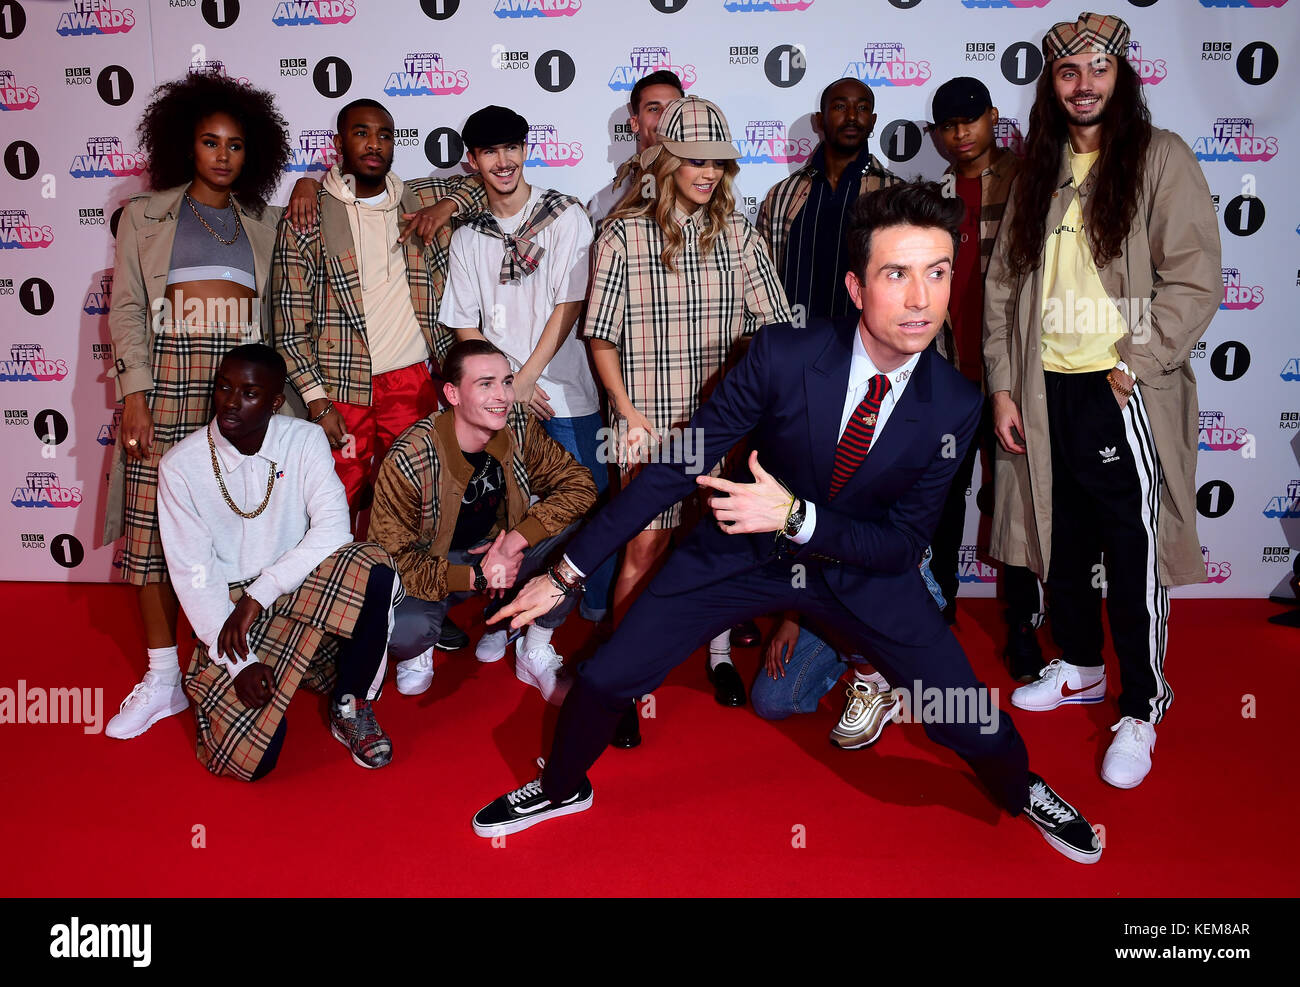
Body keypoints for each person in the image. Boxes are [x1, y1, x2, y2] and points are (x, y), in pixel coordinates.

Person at [474, 182, 1103, 866]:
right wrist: (566, 574)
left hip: (859, 572)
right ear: (857, 287)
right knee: (603, 678)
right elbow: (675, 466)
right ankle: (564, 785)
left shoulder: (954, 403)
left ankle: (1024, 786)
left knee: (968, 717)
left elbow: (900, 547)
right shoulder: (782, 354)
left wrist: (799, 518)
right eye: (897, 274)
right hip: (739, 553)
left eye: (938, 272)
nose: (922, 298)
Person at [984, 13, 1221, 789]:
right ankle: (1081, 666)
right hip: (1045, 388)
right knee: (1065, 537)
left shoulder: (1160, 158)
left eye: (1097, 69)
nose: (1083, 85)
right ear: (1051, 87)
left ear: (1122, 76)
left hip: (1124, 389)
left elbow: (1193, 278)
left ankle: (1143, 703)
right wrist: (1004, 382)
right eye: (1067, 73)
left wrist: (1139, 360)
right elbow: (1003, 287)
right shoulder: (1036, 169)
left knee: (1132, 550)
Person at [103, 71, 308, 740]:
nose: (222, 156)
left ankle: (226, 654)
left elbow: (335, 212)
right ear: (184, 145)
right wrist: (134, 396)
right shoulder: (146, 214)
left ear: (255, 154)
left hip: (240, 393)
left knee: (229, 530)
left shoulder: (265, 221)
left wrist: (307, 185)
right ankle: (163, 677)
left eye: (236, 145)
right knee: (151, 538)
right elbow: (130, 308)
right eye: (209, 142)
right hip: (167, 381)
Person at [585, 94, 792, 733]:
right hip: (648, 425)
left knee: (721, 550)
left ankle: (720, 654)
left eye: (719, 161)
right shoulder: (623, 233)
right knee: (643, 551)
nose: (707, 171)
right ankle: (619, 684)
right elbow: (600, 337)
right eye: (695, 159)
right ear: (666, 159)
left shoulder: (741, 236)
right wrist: (625, 413)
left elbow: (777, 329)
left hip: (725, 429)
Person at [274, 96, 483, 652]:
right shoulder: (310, 213)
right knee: (332, 512)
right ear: (339, 143)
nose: (374, 144)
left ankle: (419, 611)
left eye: (385, 134)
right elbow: (288, 324)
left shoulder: (414, 199)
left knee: (417, 508)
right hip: (339, 391)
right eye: (361, 133)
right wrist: (317, 402)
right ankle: (331, 621)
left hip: (412, 381)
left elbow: (484, 184)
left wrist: (444, 209)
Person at [156, 345, 402, 778]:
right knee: (250, 763)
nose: (232, 402)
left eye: (249, 393)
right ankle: (252, 674)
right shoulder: (181, 466)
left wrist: (260, 593)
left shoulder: (303, 438)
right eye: (224, 387)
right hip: (228, 610)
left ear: (274, 401)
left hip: (293, 584)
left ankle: (351, 700)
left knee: (373, 566)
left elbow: (333, 531)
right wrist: (241, 664)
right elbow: (193, 575)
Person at [754, 75, 908, 739]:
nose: (852, 115)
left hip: (873, 383)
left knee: (867, 509)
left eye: (863, 106)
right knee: (800, 503)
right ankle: (816, 621)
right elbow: (758, 282)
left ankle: (893, 649)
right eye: (840, 105)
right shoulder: (787, 194)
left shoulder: (896, 194)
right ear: (822, 119)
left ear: (874, 116)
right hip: (800, 384)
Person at [440, 105, 613, 628]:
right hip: (502, 401)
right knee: (512, 512)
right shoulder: (470, 234)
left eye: (511, 148)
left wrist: (527, 376)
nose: (503, 160)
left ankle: (581, 614)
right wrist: (503, 386)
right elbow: (464, 324)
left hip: (564, 390)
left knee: (590, 503)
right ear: (472, 161)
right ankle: (510, 613)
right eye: (490, 151)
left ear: (525, 151)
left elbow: (572, 302)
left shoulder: (565, 215)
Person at [369, 340, 597, 702]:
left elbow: (580, 486)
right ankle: (421, 649)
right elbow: (391, 558)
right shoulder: (410, 457)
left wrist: (514, 542)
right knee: (405, 632)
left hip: (503, 551)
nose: (502, 396)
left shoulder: (518, 425)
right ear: (452, 393)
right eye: (485, 384)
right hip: (438, 564)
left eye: (507, 382)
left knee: (582, 538)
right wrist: (475, 577)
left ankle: (530, 643)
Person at [925, 75, 1045, 681]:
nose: (959, 133)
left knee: (1017, 502)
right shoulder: (937, 191)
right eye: (947, 125)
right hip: (948, 374)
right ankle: (938, 606)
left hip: (1013, 376)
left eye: (969, 120)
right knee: (941, 498)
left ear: (992, 117)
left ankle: (1023, 625)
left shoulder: (1029, 182)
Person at [587, 70, 684, 226]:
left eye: (674, 108)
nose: (666, 117)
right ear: (635, 123)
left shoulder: (714, 187)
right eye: (654, 108)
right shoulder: (606, 202)